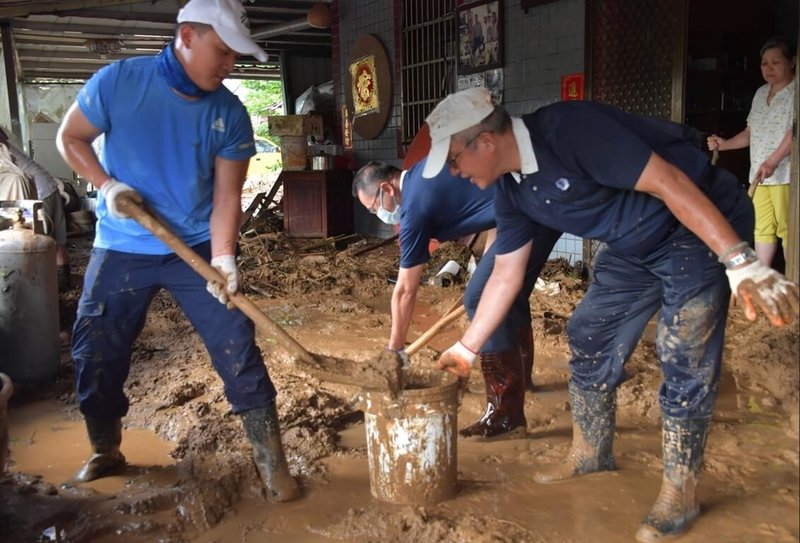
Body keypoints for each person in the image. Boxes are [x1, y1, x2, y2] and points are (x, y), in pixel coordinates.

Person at [421, 87, 799, 542]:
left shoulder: (570, 131)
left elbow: (671, 184)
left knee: (682, 347)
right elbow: (505, 273)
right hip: (635, 243)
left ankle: (681, 490)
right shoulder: (511, 189)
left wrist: (738, 260)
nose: (455, 173)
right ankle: (589, 453)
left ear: (484, 142)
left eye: (455, 160)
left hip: (694, 223)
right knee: (588, 331)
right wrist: (466, 348)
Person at [55, 0, 300, 503]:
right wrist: (105, 185)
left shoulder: (229, 113)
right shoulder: (118, 82)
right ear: (187, 36)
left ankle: (272, 463)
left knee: (237, 343)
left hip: (194, 245)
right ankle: (106, 447)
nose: (230, 65)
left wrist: (225, 257)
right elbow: (70, 137)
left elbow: (228, 196)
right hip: (121, 244)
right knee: (95, 348)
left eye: (236, 55)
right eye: (224, 51)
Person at [352, 158, 560, 440]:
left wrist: (396, 349)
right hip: (538, 201)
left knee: (479, 297)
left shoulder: (415, 207)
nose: (378, 214)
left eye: (374, 207)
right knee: (506, 296)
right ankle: (521, 381)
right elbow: (495, 203)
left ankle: (505, 416)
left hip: (530, 210)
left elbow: (404, 290)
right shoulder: (424, 173)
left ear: (387, 188)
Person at [707, 35, 796, 268]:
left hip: (787, 176)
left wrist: (774, 160)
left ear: (792, 62)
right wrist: (724, 144)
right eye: (764, 63)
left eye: (776, 62)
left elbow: (795, 132)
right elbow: (750, 131)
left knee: (790, 231)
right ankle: (763, 279)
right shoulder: (760, 93)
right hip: (760, 174)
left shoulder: (797, 92)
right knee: (762, 229)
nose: (769, 68)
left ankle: (792, 286)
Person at [0, 128, 72, 291]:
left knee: (36, 243)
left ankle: (40, 288)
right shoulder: (6, 146)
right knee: (56, 242)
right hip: (49, 188)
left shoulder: (2, 150)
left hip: (36, 194)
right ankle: (63, 285)